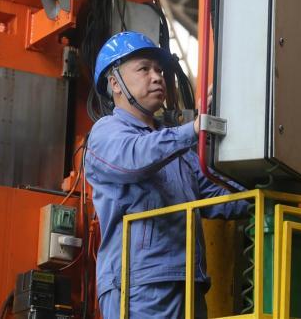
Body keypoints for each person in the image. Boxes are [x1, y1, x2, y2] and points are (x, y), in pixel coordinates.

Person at [85, 31, 248, 319]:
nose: (157, 77)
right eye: (144, 69)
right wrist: (193, 129)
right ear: (115, 83)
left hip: (188, 282)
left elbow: (218, 194)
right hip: (139, 286)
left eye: (159, 70)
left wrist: (266, 188)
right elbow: (135, 159)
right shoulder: (106, 133)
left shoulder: (178, 149)